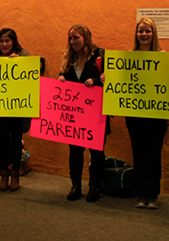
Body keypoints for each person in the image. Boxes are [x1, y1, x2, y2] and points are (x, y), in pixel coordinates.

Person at [58, 24, 109, 202]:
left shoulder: (100, 56)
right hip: (75, 116)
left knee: (96, 153)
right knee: (75, 152)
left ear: (86, 38)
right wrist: (61, 79)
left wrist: (96, 80)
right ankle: (76, 186)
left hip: (96, 114)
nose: (73, 41)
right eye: (71, 38)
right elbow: (62, 76)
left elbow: (112, 80)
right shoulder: (68, 58)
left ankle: (94, 187)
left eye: (76, 37)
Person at [126, 18, 167, 209]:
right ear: (136, 34)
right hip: (134, 115)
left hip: (156, 116)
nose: (144, 35)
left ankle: (153, 195)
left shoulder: (163, 57)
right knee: (139, 153)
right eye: (140, 31)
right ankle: (141, 193)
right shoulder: (128, 57)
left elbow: (166, 84)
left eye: (148, 31)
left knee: (154, 155)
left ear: (154, 33)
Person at [0, 28, 31, 191]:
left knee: (16, 142)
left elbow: (30, 82)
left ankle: (15, 175)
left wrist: (20, 63)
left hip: (18, 109)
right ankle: (3, 174)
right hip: (0, 109)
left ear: (14, 42)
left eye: (7, 41)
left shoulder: (24, 57)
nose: (4, 44)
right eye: (1, 41)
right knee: (3, 141)